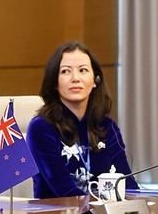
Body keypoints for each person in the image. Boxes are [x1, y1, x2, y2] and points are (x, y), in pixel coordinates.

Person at [26, 41, 137, 198]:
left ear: (95, 81)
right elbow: (65, 192)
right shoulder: (41, 128)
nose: (75, 78)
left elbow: (128, 184)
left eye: (83, 70)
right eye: (65, 71)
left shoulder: (107, 126)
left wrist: (140, 204)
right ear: (54, 83)